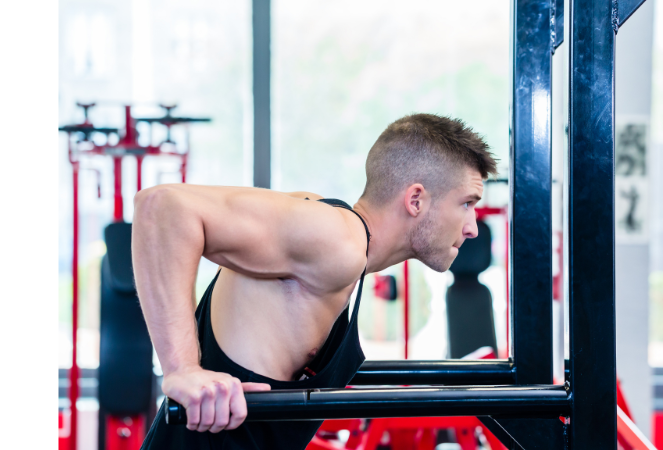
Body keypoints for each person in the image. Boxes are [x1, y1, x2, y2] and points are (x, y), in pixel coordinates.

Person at [134, 113, 498, 449]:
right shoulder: (337, 240)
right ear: (416, 199)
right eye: (467, 203)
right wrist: (182, 370)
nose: (472, 227)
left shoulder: (342, 248)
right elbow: (162, 206)